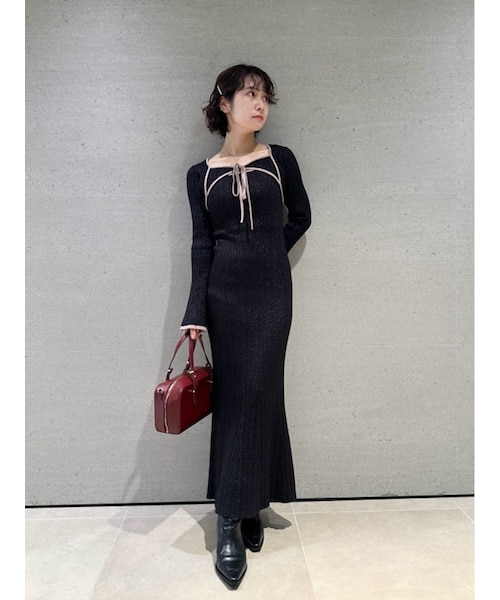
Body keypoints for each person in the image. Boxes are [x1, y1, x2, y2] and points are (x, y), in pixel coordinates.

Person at [180, 64, 311, 589]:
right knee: (236, 398)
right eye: (251, 95)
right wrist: (195, 311)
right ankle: (236, 514)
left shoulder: (281, 160)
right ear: (225, 103)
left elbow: (301, 216)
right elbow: (201, 245)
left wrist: (269, 256)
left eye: (265, 97)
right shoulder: (200, 174)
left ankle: (237, 508)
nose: (260, 105)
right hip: (223, 299)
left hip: (272, 295)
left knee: (260, 391)